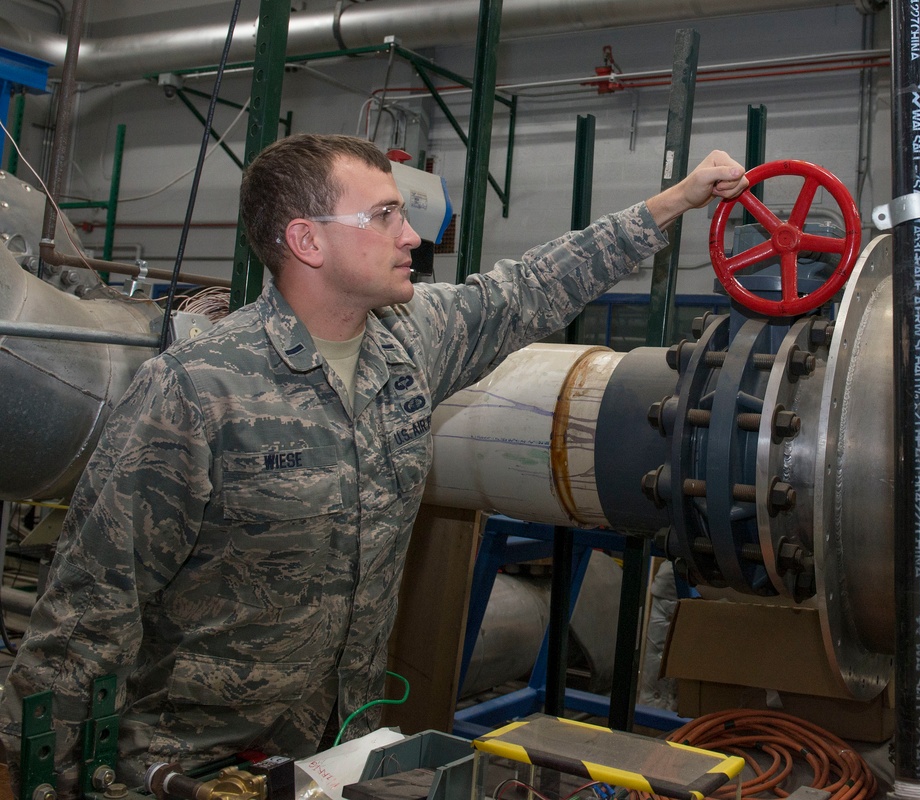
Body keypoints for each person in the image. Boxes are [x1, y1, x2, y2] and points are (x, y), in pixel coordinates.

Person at [0, 133, 747, 796]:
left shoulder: (409, 344)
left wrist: (672, 202)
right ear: (307, 241)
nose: (412, 236)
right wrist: (43, 772)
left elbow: (529, 287)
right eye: (385, 215)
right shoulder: (197, 390)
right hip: (189, 765)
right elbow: (89, 606)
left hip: (338, 749)